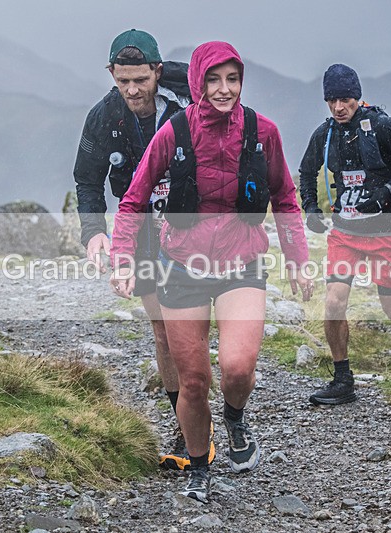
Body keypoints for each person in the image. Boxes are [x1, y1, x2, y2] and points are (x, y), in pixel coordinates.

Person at [109, 41, 313, 503]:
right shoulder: (175, 132)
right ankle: (199, 466)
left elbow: (284, 199)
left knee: (238, 368)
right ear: (198, 82)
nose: (224, 90)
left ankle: (236, 417)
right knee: (194, 380)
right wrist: (122, 258)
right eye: (214, 80)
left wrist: (299, 262)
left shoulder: (264, 133)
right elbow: (134, 199)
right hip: (182, 267)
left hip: (242, 264)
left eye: (233, 79)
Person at [71, 29, 209, 470]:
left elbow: (235, 119)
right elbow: (87, 180)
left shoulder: (190, 92)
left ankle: (225, 408)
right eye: (122, 80)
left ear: (156, 70)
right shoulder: (103, 117)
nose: (132, 90)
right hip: (145, 229)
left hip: (199, 225)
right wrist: (93, 232)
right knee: (164, 331)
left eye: (140, 80)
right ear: (112, 74)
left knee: (203, 328)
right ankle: (186, 423)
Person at [299, 64, 391, 406]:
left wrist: (386, 192)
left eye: (346, 99)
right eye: (332, 100)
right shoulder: (324, 135)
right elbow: (307, 171)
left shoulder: (381, 126)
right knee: (334, 301)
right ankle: (343, 379)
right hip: (344, 235)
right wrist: (310, 208)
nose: (339, 107)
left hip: (385, 233)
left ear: (358, 96)